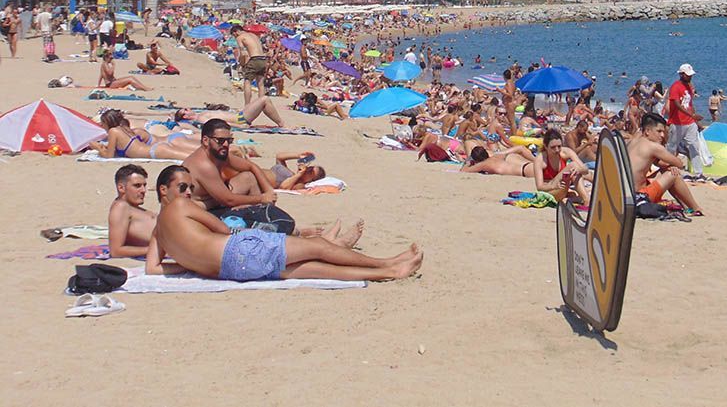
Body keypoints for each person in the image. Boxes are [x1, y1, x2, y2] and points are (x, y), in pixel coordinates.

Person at [146, 165, 423, 281]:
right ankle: (385, 264)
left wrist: (188, 262)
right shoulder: (183, 206)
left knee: (310, 269)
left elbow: (153, 268)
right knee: (316, 247)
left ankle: (388, 272)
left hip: (227, 271)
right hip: (238, 250)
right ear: (163, 191)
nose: (187, 192)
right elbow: (220, 229)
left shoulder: (159, 230)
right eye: (182, 187)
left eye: (188, 188)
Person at [627, 112, 703, 213]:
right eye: (659, 131)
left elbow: (653, 162)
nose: (662, 135)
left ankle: (686, 206)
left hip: (625, 195)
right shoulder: (653, 147)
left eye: (663, 132)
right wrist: (670, 166)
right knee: (673, 174)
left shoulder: (633, 141)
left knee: (668, 170)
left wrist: (666, 166)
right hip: (639, 198)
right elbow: (679, 164)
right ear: (648, 131)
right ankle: (695, 208)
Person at [107, 165, 157, 258]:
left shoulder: (130, 207)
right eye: (137, 186)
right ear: (121, 188)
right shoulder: (120, 207)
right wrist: (158, 250)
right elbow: (116, 251)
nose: (143, 190)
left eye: (144, 185)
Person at [666, 63, 705, 175]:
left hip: (690, 123)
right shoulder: (675, 86)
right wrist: (691, 115)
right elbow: (677, 104)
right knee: (672, 148)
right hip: (677, 123)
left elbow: (690, 104)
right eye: (688, 75)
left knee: (694, 146)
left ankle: (698, 172)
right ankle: (667, 168)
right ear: (682, 74)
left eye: (691, 75)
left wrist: (695, 119)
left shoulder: (689, 86)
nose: (690, 77)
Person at [533, 129, 591, 204]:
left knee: (576, 169)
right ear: (546, 146)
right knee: (572, 165)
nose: (557, 150)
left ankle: (585, 200)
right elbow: (540, 187)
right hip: (551, 191)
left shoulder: (565, 152)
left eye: (559, 146)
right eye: (553, 147)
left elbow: (585, 169)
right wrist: (553, 186)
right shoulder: (541, 159)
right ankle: (586, 200)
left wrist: (578, 169)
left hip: (564, 187)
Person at [231, 24, 267, 107]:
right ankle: (261, 104)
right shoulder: (253, 35)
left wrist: (241, 63)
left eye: (234, 35)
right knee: (260, 83)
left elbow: (243, 53)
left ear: (236, 32)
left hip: (254, 59)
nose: (234, 37)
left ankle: (247, 105)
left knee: (247, 82)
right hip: (263, 59)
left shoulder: (240, 37)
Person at [461, 145, 537, 176]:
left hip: (526, 171)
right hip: (529, 165)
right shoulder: (497, 156)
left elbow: (463, 171)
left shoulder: (484, 164)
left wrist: (469, 162)